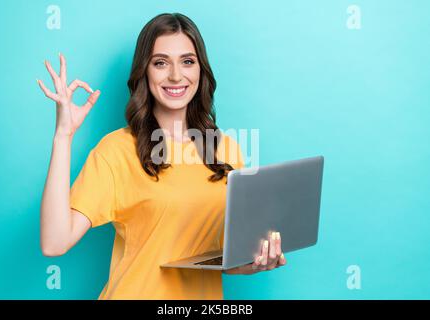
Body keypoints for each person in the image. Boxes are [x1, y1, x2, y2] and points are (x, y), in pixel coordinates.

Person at [38, 12, 286, 300]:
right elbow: (54, 243)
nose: (176, 75)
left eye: (187, 61)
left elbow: (224, 260)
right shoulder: (116, 150)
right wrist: (63, 136)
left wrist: (257, 262)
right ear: (145, 71)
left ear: (200, 70)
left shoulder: (227, 150)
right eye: (160, 63)